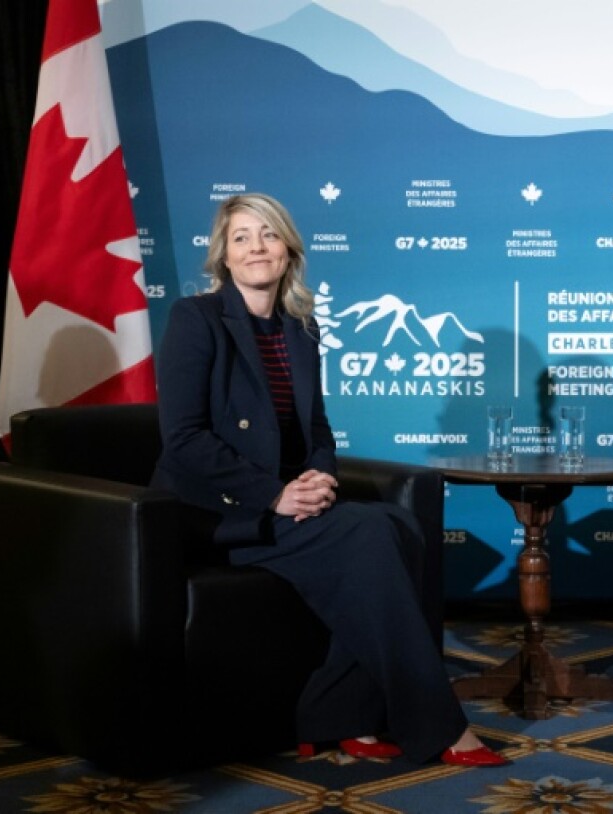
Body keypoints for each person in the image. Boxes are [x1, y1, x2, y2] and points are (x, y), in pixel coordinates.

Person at [150, 192, 507, 768]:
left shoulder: (300, 325)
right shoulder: (197, 319)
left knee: (398, 525)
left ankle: (339, 716)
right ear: (224, 256)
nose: (255, 247)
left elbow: (316, 427)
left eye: (267, 234)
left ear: (288, 248)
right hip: (218, 512)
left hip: (288, 500)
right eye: (241, 237)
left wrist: (318, 478)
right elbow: (184, 439)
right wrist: (275, 494)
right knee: (367, 535)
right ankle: (438, 725)